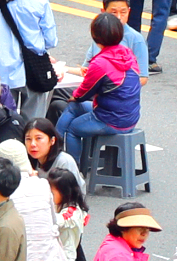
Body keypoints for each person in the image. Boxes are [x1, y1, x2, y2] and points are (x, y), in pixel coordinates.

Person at [53, 11, 142, 170]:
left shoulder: (100, 63)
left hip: (111, 119)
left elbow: (82, 94)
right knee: (73, 108)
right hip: (130, 116)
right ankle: (54, 146)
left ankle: (72, 171)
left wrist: (74, 96)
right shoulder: (127, 54)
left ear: (94, 35)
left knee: (73, 128)